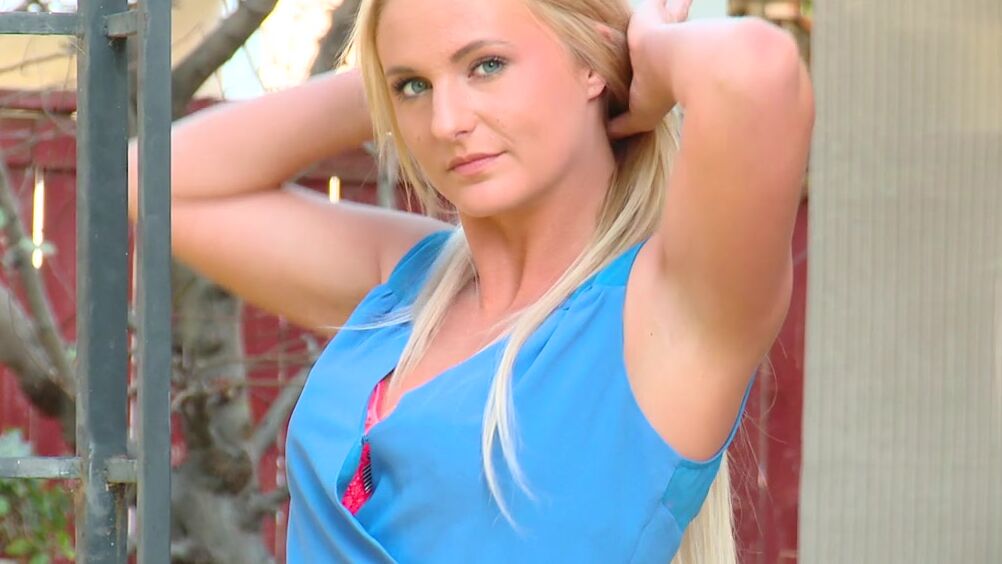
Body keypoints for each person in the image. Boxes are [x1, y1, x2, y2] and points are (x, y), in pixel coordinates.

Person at [129, 0, 813, 561]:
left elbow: (755, 70)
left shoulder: (666, 316)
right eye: (414, 88)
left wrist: (646, 55)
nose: (447, 123)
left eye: (488, 65)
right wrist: (398, 69)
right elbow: (153, 182)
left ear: (592, 65)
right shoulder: (408, 284)